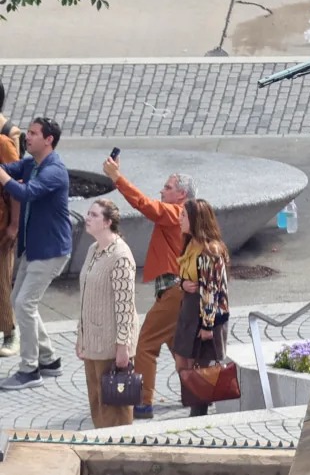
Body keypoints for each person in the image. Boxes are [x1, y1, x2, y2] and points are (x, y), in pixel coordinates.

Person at [103, 157, 194, 419]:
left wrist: (117, 178)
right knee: (178, 349)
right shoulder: (182, 215)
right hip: (175, 292)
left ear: (181, 194)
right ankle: (195, 394)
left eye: (167, 187)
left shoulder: (175, 213)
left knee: (144, 346)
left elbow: (144, 204)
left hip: (173, 292)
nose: (162, 191)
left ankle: (143, 403)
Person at [0, 118, 71, 391]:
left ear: (48, 140)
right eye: (27, 133)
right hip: (36, 247)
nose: (26, 137)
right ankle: (50, 360)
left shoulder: (54, 171)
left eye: (32, 134)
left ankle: (30, 370)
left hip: (51, 250)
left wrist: (4, 176)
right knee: (20, 301)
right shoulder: (32, 163)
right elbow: (9, 168)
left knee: (25, 305)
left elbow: (26, 192)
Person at [75, 199, 139, 428]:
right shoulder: (93, 250)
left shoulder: (120, 256)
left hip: (112, 346)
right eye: (88, 213)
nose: (87, 218)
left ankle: (120, 454)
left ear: (107, 222)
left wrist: (123, 346)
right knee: (97, 404)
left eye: (93, 214)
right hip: (93, 342)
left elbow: (125, 305)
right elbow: (86, 298)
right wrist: (80, 337)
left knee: (115, 409)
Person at [173, 199, 231, 417]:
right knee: (183, 361)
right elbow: (185, 275)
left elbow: (212, 290)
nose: (179, 219)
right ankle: (194, 403)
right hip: (188, 309)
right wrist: (182, 283)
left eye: (184, 216)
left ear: (196, 220)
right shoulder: (190, 244)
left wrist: (207, 326)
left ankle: (199, 411)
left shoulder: (210, 250)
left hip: (206, 315)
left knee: (202, 366)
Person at [0, 82, 20, 358]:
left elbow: (17, 186)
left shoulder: (4, 141)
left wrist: (14, 225)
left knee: (2, 280)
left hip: (2, 225)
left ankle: (10, 332)